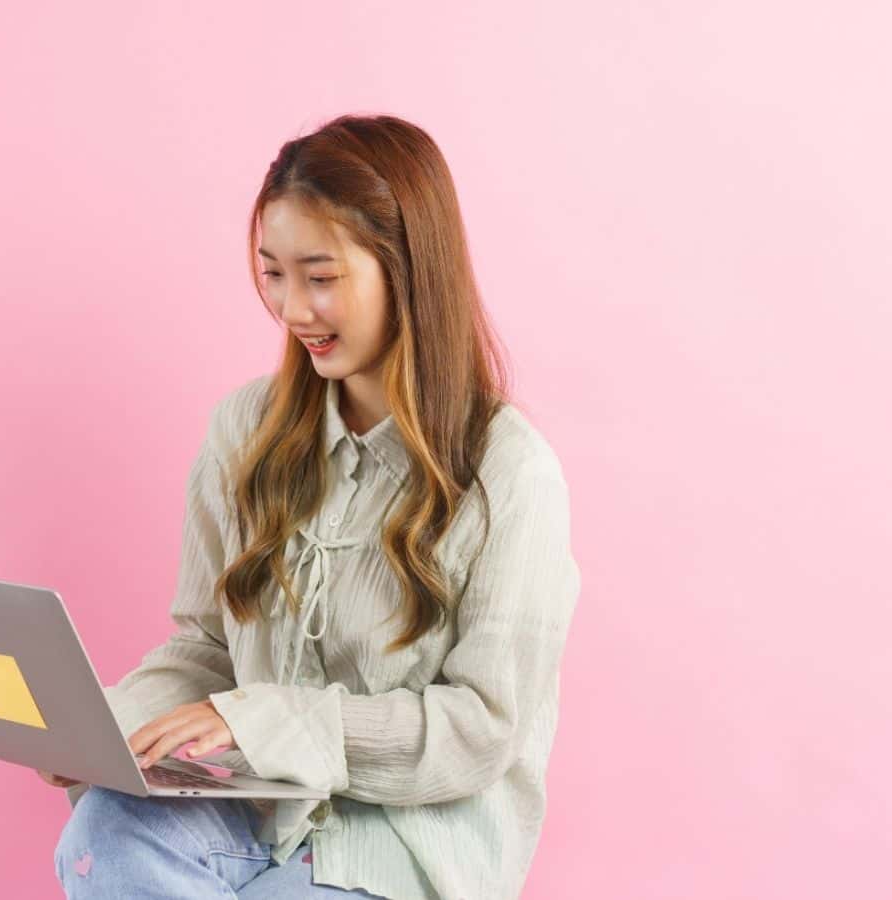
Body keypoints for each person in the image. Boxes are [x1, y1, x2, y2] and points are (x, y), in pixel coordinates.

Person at [41, 113, 581, 899]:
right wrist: (108, 728)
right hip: (256, 810)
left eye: (321, 278)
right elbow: (207, 650)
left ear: (407, 271)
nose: (293, 311)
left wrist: (265, 722)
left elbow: (480, 731)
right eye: (272, 274)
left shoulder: (510, 473)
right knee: (106, 835)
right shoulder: (243, 431)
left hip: (403, 847)